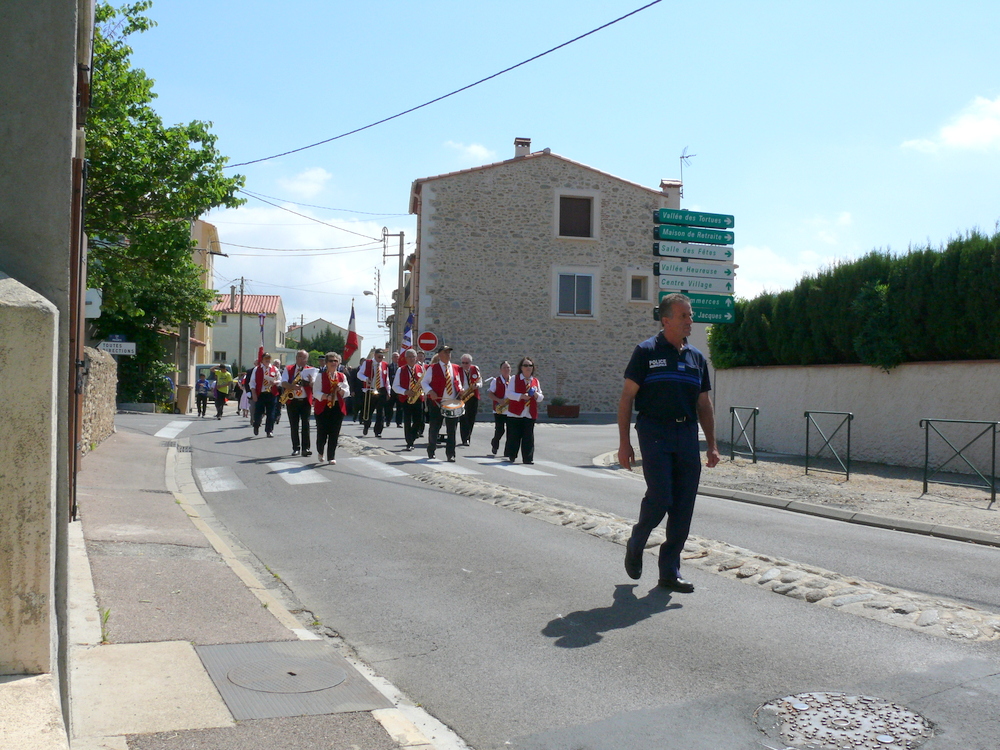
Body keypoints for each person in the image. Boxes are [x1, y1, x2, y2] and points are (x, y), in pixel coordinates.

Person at [618, 293, 720, 594]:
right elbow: (626, 399)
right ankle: (637, 539)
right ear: (666, 320)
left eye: (690, 315)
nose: (691, 321)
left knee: (684, 505)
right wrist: (624, 444)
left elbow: (704, 404)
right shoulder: (646, 352)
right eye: (685, 316)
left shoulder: (696, 358)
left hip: (687, 434)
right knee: (661, 497)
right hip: (654, 432)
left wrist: (711, 444)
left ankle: (669, 571)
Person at [421, 345, 464, 462]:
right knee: (435, 427)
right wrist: (430, 391)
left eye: (449, 352)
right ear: (439, 355)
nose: (448, 355)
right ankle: (431, 450)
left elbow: (458, 382)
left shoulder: (455, 367)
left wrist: (460, 389)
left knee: (452, 429)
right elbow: (424, 382)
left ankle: (451, 454)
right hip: (436, 402)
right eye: (445, 353)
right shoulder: (432, 368)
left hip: (452, 402)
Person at [504, 357, 543, 464]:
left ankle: (528, 458)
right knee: (514, 436)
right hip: (515, 413)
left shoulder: (535, 381)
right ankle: (512, 455)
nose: (528, 368)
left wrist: (535, 394)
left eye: (530, 365)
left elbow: (540, 397)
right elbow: (509, 394)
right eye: (525, 365)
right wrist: (521, 396)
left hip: (530, 413)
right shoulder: (514, 379)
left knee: (528, 437)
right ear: (521, 367)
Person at [281, 349, 319, 457]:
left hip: (305, 401)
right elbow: (283, 383)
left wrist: (312, 382)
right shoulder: (288, 369)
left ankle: (305, 448)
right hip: (292, 400)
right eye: (301, 357)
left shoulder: (311, 370)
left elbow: (315, 386)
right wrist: (293, 386)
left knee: (305, 424)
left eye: (305, 358)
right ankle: (296, 448)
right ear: (297, 358)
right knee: (294, 425)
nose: (303, 360)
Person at [314, 352, 350, 465]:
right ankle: (320, 451)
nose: (333, 363)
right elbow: (315, 392)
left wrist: (340, 390)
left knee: (334, 433)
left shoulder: (341, 376)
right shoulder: (320, 376)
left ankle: (331, 456)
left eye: (336, 361)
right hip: (323, 407)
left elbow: (347, 392)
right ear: (326, 363)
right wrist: (326, 396)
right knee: (322, 433)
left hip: (337, 407)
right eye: (331, 361)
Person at [391, 348, 425, 451]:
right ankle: (409, 442)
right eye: (409, 357)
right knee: (407, 420)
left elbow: (424, 383)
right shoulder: (401, 370)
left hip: (418, 398)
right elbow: (395, 386)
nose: (411, 359)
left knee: (418, 420)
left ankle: (413, 436)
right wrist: (405, 391)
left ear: (416, 358)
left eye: (413, 357)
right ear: (406, 358)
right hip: (406, 399)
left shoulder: (421, 369)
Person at [357, 349, 390, 437]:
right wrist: (366, 379)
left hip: (381, 389)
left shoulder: (385, 364)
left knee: (380, 411)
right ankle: (366, 425)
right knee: (369, 410)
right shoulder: (367, 363)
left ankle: (378, 431)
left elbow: (386, 379)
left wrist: (388, 391)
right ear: (374, 355)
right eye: (379, 357)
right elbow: (359, 374)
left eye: (382, 357)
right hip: (370, 389)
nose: (381, 359)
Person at [248, 353, 280, 437]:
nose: (268, 360)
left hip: (271, 393)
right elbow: (252, 382)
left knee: (271, 413)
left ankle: (269, 430)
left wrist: (275, 382)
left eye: (269, 358)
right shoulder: (257, 369)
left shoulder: (274, 369)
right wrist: (254, 394)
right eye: (266, 358)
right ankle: (256, 425)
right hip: (260, 394)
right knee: (258, 413)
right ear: (262, 360)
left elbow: (280, 380)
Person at [487, 360, 511, 456]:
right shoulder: (495, 381)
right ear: (501, 370)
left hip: (510, 409)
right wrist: (498, 399)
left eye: (508, 367)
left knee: (511, 431)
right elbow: (490, 394)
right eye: (504, 368)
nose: (506, 369)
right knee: (500, 430)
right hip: (499, 408)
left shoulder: (513, 380)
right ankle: (495, 443)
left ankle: (508, 451)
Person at [458, 353, 482, 446]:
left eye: (467, 363)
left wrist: (477, 385)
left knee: (471, 417)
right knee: (463, 417)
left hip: (473, 395)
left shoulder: (475, 369)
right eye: (463, 363)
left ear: (470, 363)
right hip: (463, 396)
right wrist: (461, 390)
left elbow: (480, 381)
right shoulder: (458, 370)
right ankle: (464, 438)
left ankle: (468, 436)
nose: (465, 365)